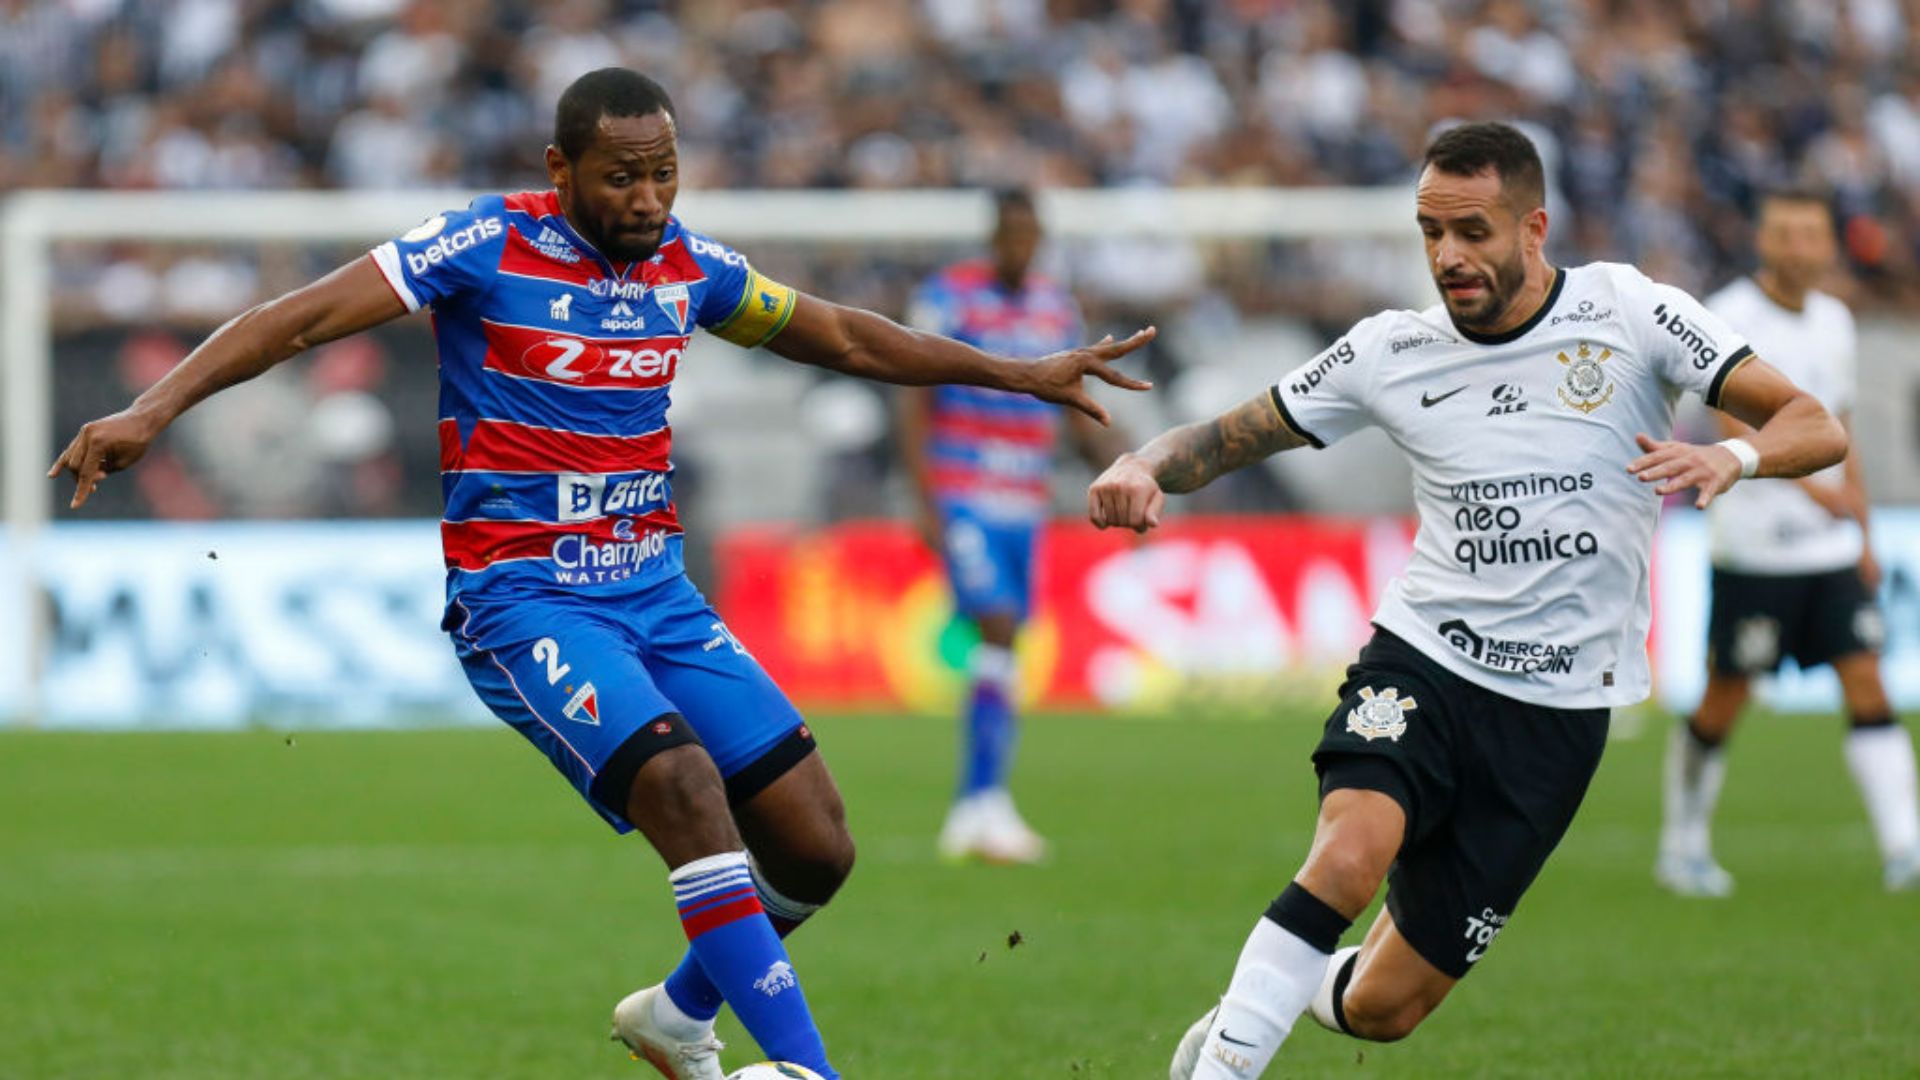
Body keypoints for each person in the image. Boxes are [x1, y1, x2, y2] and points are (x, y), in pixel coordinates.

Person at [48, 68, 1153, 1080]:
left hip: (654, 593)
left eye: (664, 173)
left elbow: (849, 340)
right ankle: (807, 1069)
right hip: (523, 596)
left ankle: (675, 1018)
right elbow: (301, 318)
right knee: (684, 787)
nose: (648, 198)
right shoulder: (478, 244)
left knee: (816, 846)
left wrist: (1021, 373)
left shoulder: (691, 269)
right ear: (560, 172)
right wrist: (156, 405)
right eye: (623, 176)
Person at [1085, 122, 1847, 1080]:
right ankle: (1226, 1067)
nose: (1449, 257)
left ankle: (1264, 1000)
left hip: (1560, 713)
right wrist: (1145, 460)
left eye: (1473, 232)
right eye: (1430, 232)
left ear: (1533, 228)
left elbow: (1814, 425)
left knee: (1385, 1008)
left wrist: (1728, 454)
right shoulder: (1389, 350)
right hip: (1426, 663)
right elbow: (1234, 436)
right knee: (1350, 855)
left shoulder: (1631, 311)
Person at [1657, 189, 1920, 897]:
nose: (1797, 247)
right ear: (1763, 240)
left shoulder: (1836, 320)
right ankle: (1681, 844)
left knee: (1865, 678)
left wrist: (1858, 523)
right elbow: (1729, 429)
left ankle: (1905, 845)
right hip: (1755, 546)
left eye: (1809, 234)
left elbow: (1839, 425)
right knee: (1725, 697)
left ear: (1828, 244)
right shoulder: (1728, 316)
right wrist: (1817, 492)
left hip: (1829, 549)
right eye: (1784, 233)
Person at [899, 188, 1131, 864]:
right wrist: (922, 498)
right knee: (996, 625)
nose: (1022, 246)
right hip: (963, 489)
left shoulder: (1055, 306)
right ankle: (982, 801)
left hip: (1023, 499)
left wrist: (1125, 463)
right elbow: (914, 391)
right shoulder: (949, 297)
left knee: (1008, 644)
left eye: (1032, 236)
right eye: (1013, 234)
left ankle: (980, 804)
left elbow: (1068, 402)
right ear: (996, 234)